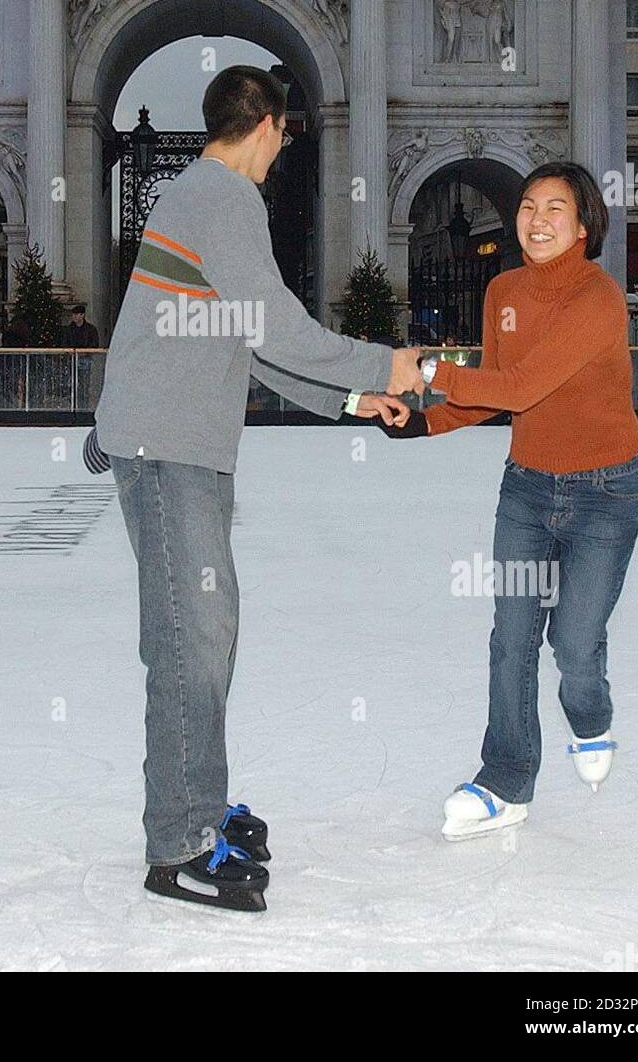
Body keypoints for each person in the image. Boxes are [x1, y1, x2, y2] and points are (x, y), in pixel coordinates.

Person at [89, 65, 424, 911]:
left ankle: (200, 800)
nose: (284, 148)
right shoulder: (224, 198)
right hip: (167, 448)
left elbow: (247, 339)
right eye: (286, 133)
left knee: (207, 634)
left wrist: (352, 397)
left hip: (173, 443)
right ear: (269, 125)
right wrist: (384, 361)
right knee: (188, 642)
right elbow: (275, 325)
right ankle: (180, 842)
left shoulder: (200, 197)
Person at [376, 163, 638, 841]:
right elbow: (493, 395)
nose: (537, 219)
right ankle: (506, 779)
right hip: (526, 489)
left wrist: (429, 369)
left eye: (556, 208)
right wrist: (421, 418)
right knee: (511, 639)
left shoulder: (597, 297)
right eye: (527, 205)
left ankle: (589, 716)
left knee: (575, 647)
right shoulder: (502, 290)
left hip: (605, 492)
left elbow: (521, 385)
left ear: (583, 225)